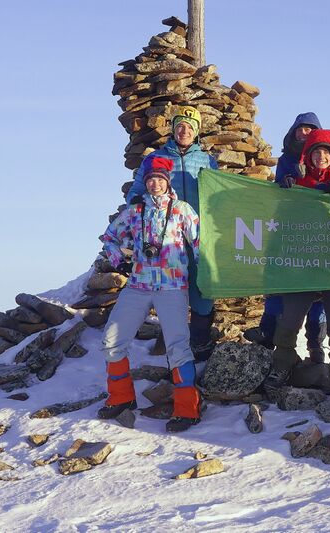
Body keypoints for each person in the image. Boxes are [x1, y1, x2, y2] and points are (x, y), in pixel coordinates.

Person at [99, 157, 203, 432]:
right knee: (111, 340)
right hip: (138, 285)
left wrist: (207, 275)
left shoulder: (181, 210)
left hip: (172, 286)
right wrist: (118, 260)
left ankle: (187, 409)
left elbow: (200, 243)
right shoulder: (135, 211)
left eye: (159, 179)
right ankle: (121, 397)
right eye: (150, 179)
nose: (155, 183)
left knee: (177, 347)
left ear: (167, 182)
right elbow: (109, 237)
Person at [265, 129, 330, 397]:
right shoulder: (296, 182)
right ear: (308, 154)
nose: (321, 157)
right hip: (302, 263)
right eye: (316, 152)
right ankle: (282, 364)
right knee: (290, 319)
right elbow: (281, 215)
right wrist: (287, 187)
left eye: (327, 152)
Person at [126, 106, 219, 361]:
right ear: (173, 129)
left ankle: (200, 340)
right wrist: (136, 201)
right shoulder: (155, 159)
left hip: (199, 234)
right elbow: (136, 190)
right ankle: (175, 346)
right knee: (171, 290)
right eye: (180, 126)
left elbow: (219, 195)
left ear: (196, 132)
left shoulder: (207, 161)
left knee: (202, 287)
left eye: (189, 127)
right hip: (167, 239)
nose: (184, 131)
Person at [244, 112, 328, 362]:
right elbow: (281, 182)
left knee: (319, 288)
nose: (303, 133)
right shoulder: (287, 159)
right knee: (278, 279)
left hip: (318, 233)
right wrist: (287, 180)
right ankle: (268, 333)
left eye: (309, 129)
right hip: (288, 229)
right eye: (300, 129)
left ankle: (316, 345)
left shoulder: (328, 157)